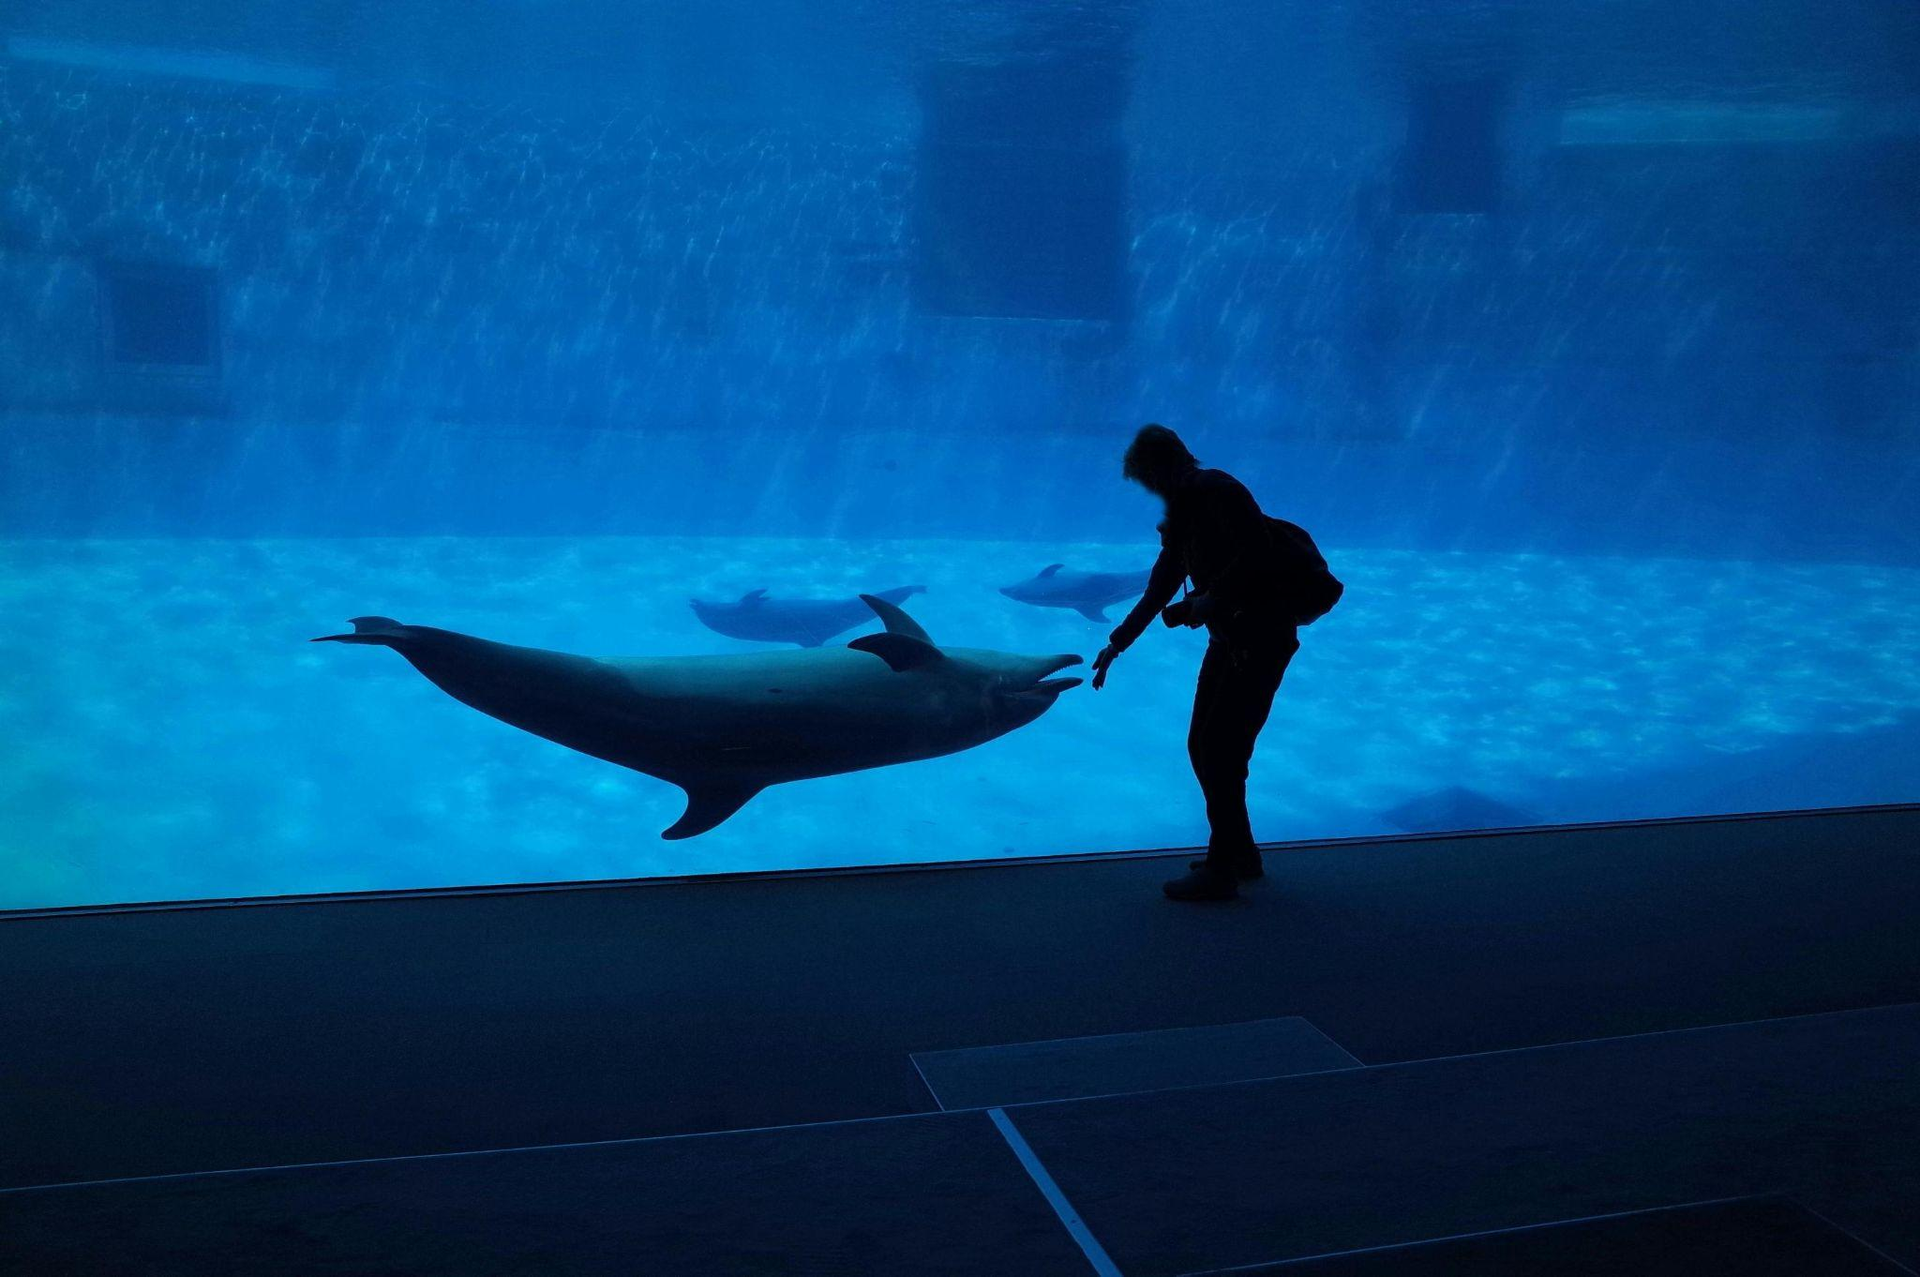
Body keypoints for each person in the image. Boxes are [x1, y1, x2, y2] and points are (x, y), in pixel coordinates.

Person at [1091, 424, 1299, 902]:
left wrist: (1210, 599)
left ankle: (1222, 869)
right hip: (1228, 642)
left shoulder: (1218, 490)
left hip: (1261, 640)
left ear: (1161, 466)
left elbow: (1259, 555)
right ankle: (1240, 853)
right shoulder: (1183, 513)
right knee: (1205, 745)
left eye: (1147, 479)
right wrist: (1116, 644)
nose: (1150, 491)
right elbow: (1159, 588)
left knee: (1220, 750)